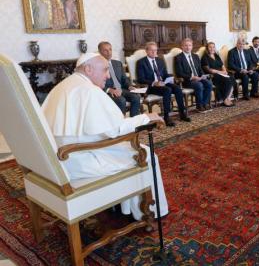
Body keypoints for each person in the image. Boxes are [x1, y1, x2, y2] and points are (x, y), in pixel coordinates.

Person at [42, 53, 168, 220]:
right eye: (105, 70)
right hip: (80, 160)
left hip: (59, 158)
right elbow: (115, 130)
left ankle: (122, 207)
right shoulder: (89, 90)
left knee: (126, 149)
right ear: (88, 69)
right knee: (146, 155)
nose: (108, 75)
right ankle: (150, 212)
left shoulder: (63, 85)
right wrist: (146, 117)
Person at [136, 42, 189, 127]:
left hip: (163, 83)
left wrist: (171, 79)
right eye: (151, 50)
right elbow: (140, 79)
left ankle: (182, 113)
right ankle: (166, 117)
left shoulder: (159, 60)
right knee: (167, 90)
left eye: (155, 50)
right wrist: (154, 83)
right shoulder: (141, 62)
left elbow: (165, 74)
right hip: (151, 86)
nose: (154, 52)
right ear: (146, 51)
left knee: (177, 88)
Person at [98, 41, 141, 116]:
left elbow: (124, 79)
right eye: (105, 50)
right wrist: (109, 90)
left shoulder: (117, 63)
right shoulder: (97, 66)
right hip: (109, 92)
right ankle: (121, 123)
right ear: (100, 52)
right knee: (121, 100)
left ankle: (134, 123)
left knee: (136, 97)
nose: (109, 52)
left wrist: (129, 86)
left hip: (121, 89)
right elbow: (96, 83)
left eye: (110, 49)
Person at [174, 38, 213, 113]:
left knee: (209, 83)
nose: (188, 47)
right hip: (187, 80)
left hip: (198, 78)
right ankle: (199, 106)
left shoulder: (195, 56)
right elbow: (179, 73)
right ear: (182, 47)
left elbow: (200, 69)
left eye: (189, 45)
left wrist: (202, 76)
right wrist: (192, 77)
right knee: (199, 85)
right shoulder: (178, 58)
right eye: (186, 45)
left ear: (192, 46)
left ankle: (204, 104)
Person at [201, 42, 235, 107]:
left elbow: (222, 65)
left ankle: (228, 98)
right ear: (207, 48)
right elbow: (209, 70)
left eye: (213, 47)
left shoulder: (216, 55)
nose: (212, 48)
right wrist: (220, 72)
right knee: (226, 80)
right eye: (210, 47)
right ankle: (224, 99)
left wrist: (225, 71)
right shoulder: (205, 57)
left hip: (221, 74)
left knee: (232, 78)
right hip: (213, 75)